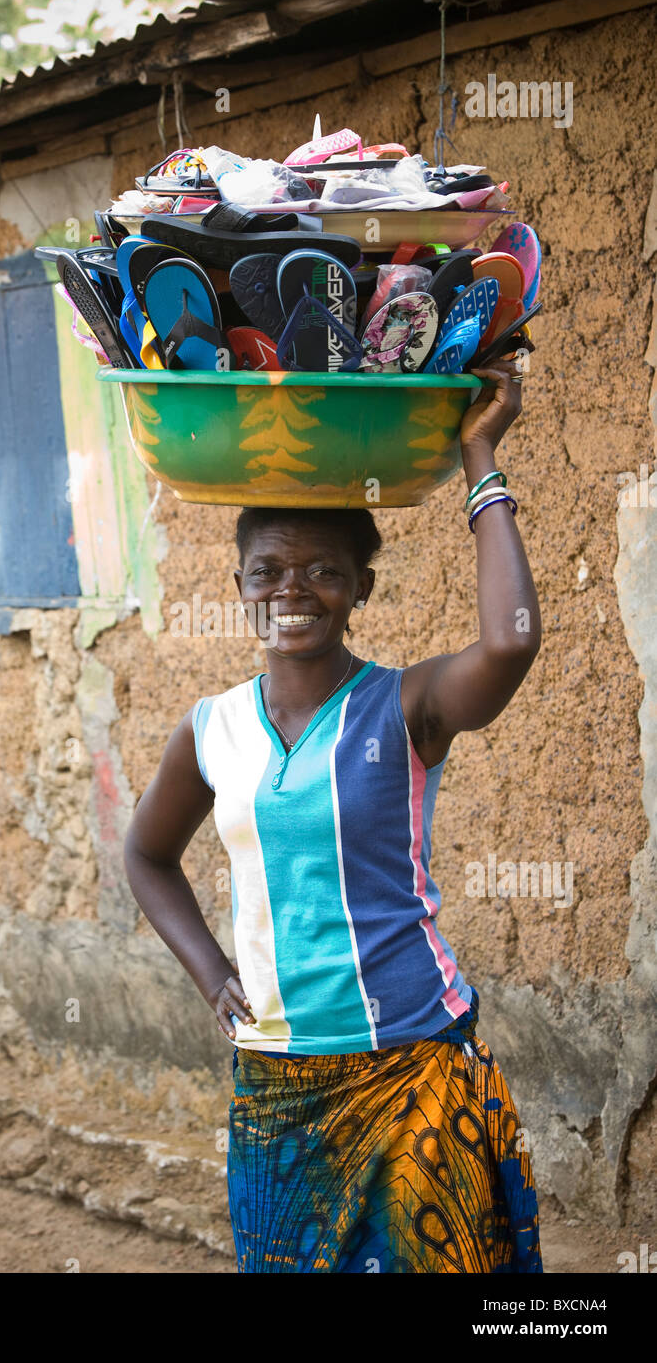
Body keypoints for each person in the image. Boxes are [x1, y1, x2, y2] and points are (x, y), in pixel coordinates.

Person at [124, 355, 543, 1273]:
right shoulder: (209, 731)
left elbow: (510, 644)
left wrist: (479, 453)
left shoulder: (407, 706)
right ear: (238, 586)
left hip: (415, 1064)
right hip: (277, 1079)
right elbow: (146, 858)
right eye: (267, 570)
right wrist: (211, 976)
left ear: (362, 589)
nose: (292, 590)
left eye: (323, 570)